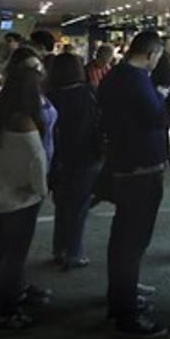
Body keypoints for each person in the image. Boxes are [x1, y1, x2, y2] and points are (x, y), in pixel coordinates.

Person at [97, 30, 170, 338]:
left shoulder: (113, 77)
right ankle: (125, 312)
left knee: (124, 237)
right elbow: (156, 116)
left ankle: (121, 295)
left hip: (124, 163)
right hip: (140, 168)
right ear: (152, 54)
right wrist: (163, 99)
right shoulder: (137, 79)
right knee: (132, 239)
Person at [0, 66, 49, 333]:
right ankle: (8, 311)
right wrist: (40, 191)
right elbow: (37, 164)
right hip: (19, 201)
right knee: (14, 258)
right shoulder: (24, 122)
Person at [45, 54, 103, 270]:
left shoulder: (50, 95)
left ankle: (59, 248)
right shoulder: (88, 93)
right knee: (78, 207)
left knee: (62, 204)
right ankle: (74, 252)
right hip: (85, 155)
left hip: (58, 158)